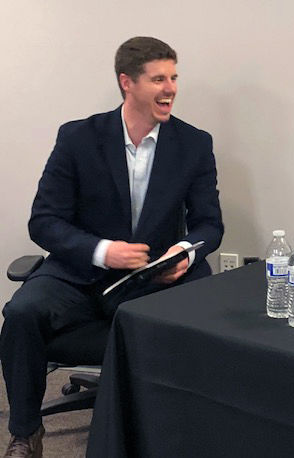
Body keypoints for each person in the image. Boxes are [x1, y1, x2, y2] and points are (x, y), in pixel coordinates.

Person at [1, 37, 224, 457]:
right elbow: (44, 221)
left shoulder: (194, 144)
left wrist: (184, 250)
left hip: (151, 278)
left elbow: (209, 224)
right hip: (80, 271)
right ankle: (25, 433)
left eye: (174, 77)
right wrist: (104, 251)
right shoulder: (78, 138)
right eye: (159, 79)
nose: (171, 88)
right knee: (21, 313)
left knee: (184, 323)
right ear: (128, 83)